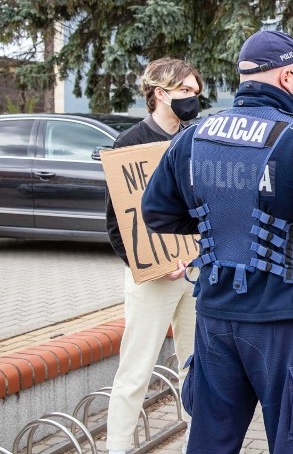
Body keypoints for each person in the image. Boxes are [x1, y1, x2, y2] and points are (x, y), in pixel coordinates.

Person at [141, 29, 293, 454]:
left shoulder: (193, 137)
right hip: (285, 323)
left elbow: (156, 212)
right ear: (288, 78)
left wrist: (216, 222)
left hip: (214, 318)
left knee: (210, 442)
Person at [105, 57, 203, 454]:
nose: (192, 99)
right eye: (184, 91)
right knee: (135, 371)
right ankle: (116, 448)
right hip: (152, 279)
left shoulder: (195, 137)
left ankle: (197, 445)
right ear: (159, 93)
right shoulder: (128, 143)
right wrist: (145, 266)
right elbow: (116, 222)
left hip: (194, 273)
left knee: (197, 368)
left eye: (196, 92)